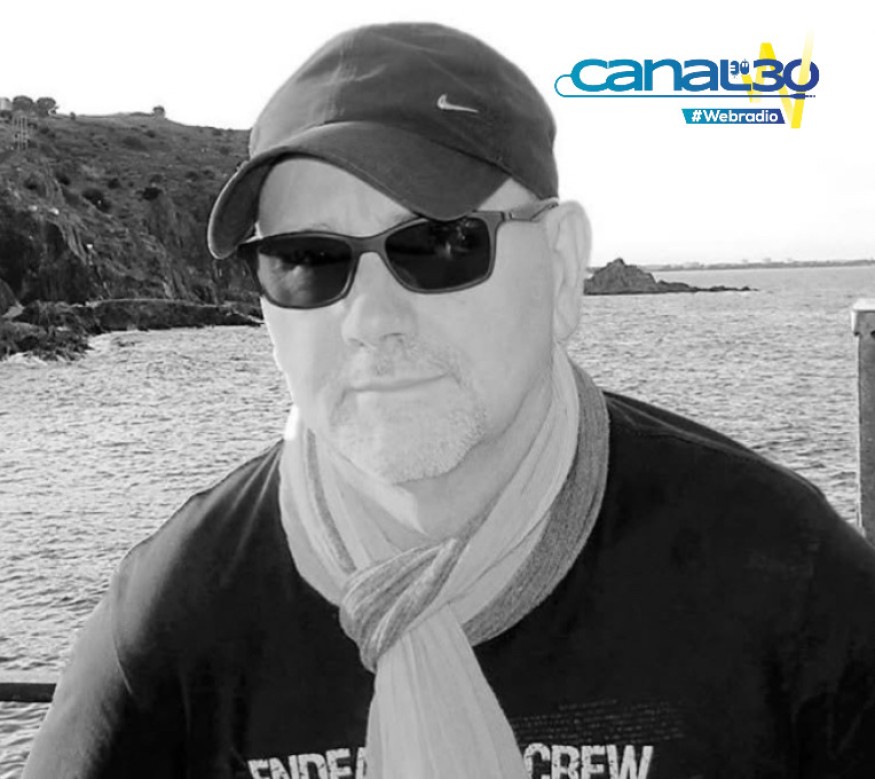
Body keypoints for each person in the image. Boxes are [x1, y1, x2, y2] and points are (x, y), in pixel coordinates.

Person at [23, 22, 875, 779]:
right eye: (308, 259)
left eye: (436, 244)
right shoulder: (174, 619)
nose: (369, 319)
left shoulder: (782, 582)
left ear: (560, 268)